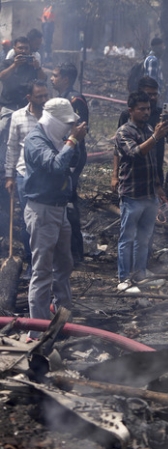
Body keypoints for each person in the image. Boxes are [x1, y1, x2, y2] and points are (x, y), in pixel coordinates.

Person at [22, 98, 86, 339]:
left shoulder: (57, 139)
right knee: (42, 270)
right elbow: (56, 166)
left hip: (59, 209)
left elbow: (75, 161)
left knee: (64, 264)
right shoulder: (35, 140)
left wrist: (74, 142)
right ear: (53, 120)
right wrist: (72, 140)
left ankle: (63, 318)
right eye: (66, 123)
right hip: (42, 210)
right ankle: (37, 331)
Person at [114, 91, 168, 293]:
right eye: (141, 109)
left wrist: (158, 188)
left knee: (144, 237)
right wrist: (155, 136)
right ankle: (123, 278)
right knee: (127, 238)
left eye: (148, 108)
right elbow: (135, 153)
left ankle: (140, 273)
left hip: (149, 194)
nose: (146, 112)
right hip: (132, 194)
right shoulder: (124, 132)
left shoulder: (149, 128)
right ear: (130, 110)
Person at [5, 80, 49, 277]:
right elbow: (12, 147)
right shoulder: (18, 117)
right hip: (24, 176)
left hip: (48, 176)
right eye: (39, 96)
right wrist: (9, 176)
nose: (44, 100)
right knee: (27, 222)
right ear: (29, 98)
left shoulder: (51, 117)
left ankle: (45, 265)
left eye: (45, 95)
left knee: (46, 221)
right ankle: (32, 263)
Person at [51, 63, 89, 265]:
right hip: (63, 156)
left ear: (65, 78)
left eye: (55, 75)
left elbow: (79, 130)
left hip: (73, 158)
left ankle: (76, 252)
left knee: (70, 202)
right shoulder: (62, 98)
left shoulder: (74, 100)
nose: (52, 79)